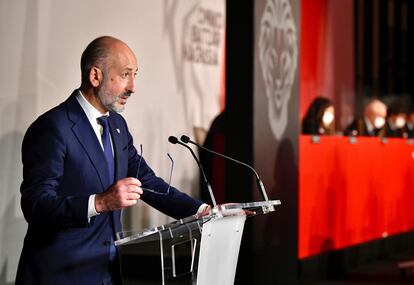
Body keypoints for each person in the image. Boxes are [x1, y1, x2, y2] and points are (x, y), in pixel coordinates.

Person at [16, 36, 209, 285]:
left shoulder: (117, 125)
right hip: (62, 275)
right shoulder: (53, 127)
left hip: (108, 274)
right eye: (125, 75)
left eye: (135, 75)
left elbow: (147, 183)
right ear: (95, 76)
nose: (133, 87)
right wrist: (99, 202)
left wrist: (203, 211)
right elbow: (36, 204)